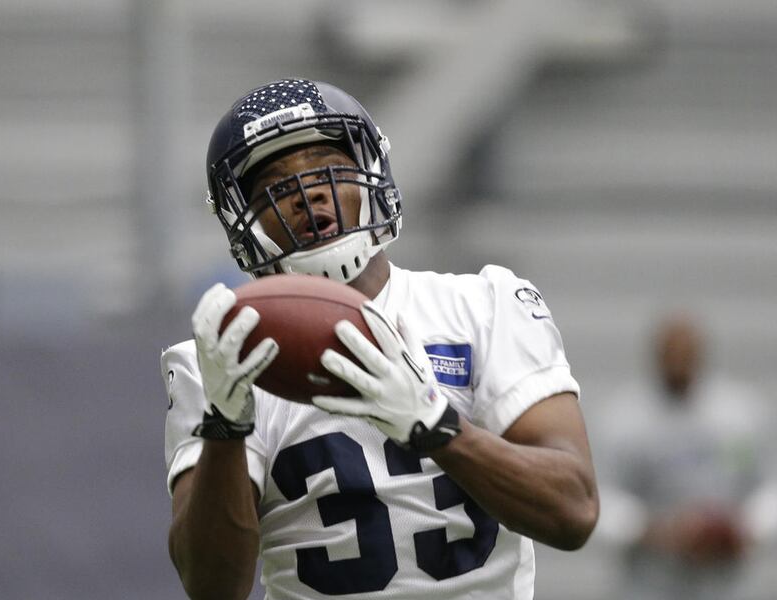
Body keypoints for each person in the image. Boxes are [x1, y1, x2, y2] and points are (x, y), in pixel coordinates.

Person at [162, 78, 599, 600]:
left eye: (328, 168)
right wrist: (225, 425)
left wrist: (438, 429)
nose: (308, 194)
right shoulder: (219, 359)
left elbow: (573, 511)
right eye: (277, 186)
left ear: (372, 174)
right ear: (244, 223)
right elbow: (211, 588)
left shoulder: (484, 306)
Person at [594, 313, 777, 600]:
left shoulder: (741, 414)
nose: (680, 362)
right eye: (672, 353)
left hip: (727, 585)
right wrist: (653, 530)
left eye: (687, 353)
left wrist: (746, 527)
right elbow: (597, 501)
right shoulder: (623, 420)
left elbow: (776, 489)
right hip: (649, 584)